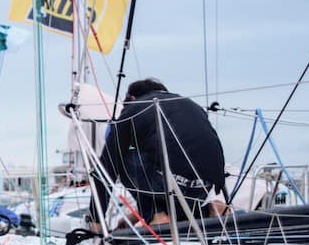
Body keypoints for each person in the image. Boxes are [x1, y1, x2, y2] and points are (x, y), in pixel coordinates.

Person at [94, 78, 226, 227]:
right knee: (175, 192)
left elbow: (105, 169)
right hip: (203, 186)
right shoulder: (191, 105)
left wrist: (96, 221)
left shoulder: (136, 107)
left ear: (131, 98)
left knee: (124, 154)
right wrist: (134, 217)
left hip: (167, 183)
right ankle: (211, 208)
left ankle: (157, 216)